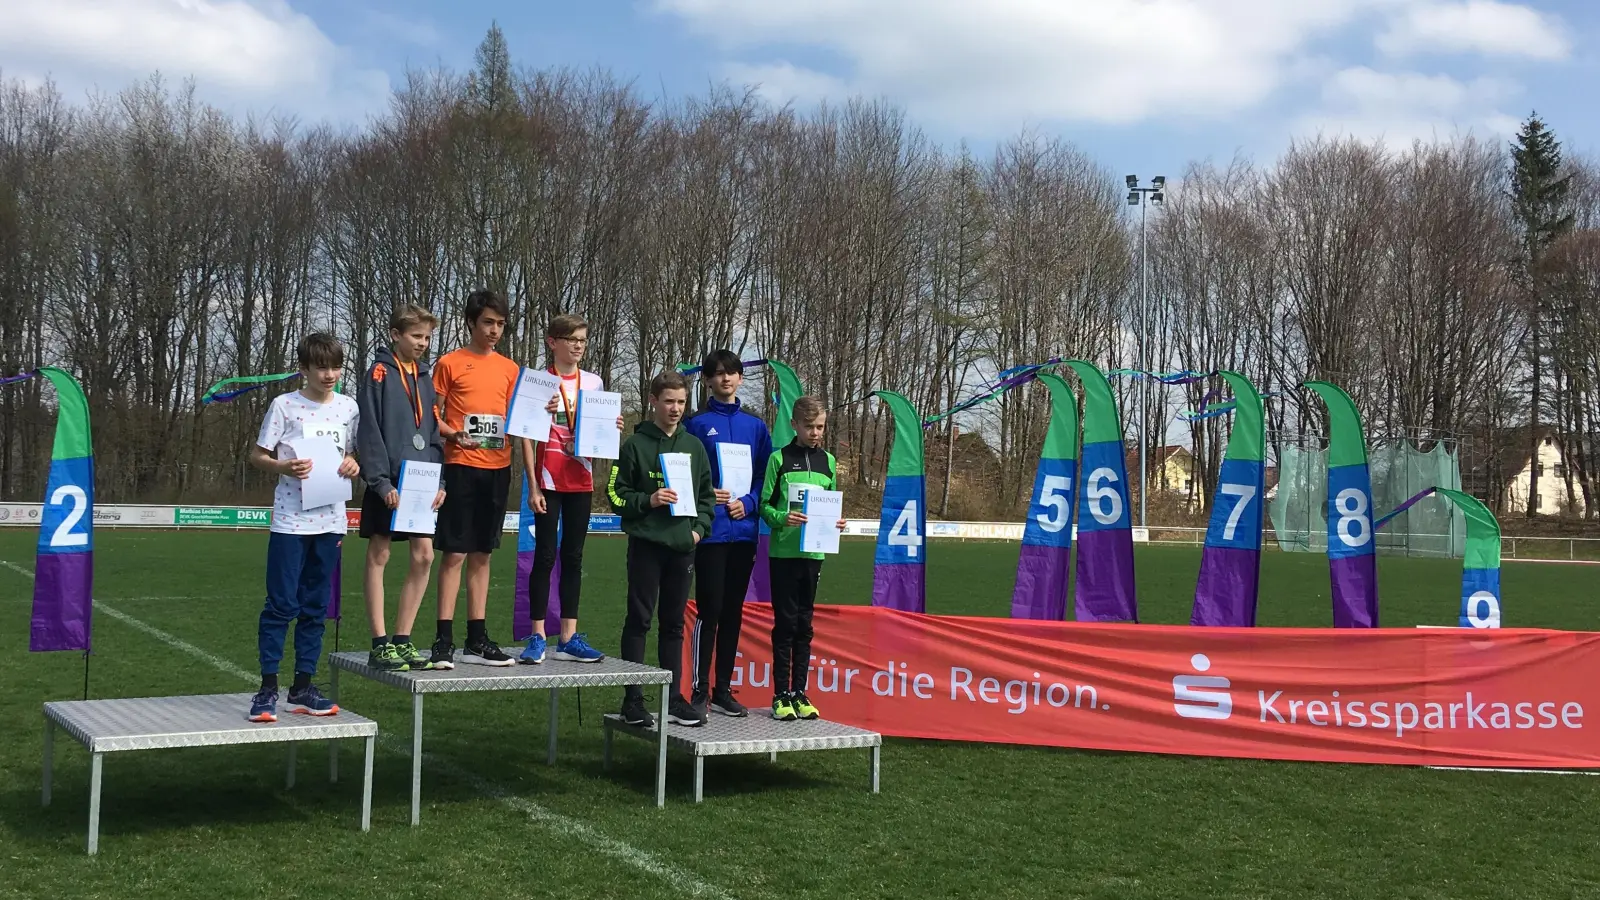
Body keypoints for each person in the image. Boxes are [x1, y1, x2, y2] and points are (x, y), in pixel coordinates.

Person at [247, 332, 361, 722]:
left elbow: (351, 453)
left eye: (336, 367)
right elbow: (257, 455)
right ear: (304, 369)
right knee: (281, 604)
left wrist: (354, 463)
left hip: (331, 521)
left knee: (315, 607)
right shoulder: (285, 406)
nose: (329, 375)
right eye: (321, 367)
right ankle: (266, 689)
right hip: (291, 521)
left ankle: (302, 687)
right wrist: (282, 466)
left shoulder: (348, 407)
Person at [606, 371, 714, 727]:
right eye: (669, 401)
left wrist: (697, 531)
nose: (675, 409)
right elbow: (615, 494)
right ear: (653, 400)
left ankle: (674, 699)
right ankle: (633, 700)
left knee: (673, 625)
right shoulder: (634, 446)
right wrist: (649, 500)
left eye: (681, 402)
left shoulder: (694, 446)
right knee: (639, 620)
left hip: (682, 548)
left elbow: (706, 497)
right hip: (647, 546)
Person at [430, 289, 521, 668]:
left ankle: (476, 639)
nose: (494, 330)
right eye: (487, 322)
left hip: (498, 469)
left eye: (500, 324)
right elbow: (430, 416)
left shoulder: (511, 369)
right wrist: (453, 434)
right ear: (471, 323)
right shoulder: (449, 364)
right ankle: (443, 640)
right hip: (460, 466)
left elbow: (519, 418)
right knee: (455, 554)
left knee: (483, 554)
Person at [356, 305, 447, 672]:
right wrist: (379, 481)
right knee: (380, 554)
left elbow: (434, 432)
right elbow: (369, 430)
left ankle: (402, 639)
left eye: (427, 337)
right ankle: (379, 643)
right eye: (416, 336)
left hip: (421, 481)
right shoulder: (379, 373)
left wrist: (440, 481)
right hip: (388, 481)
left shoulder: (425, 376)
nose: (422, 343)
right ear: (396, 335)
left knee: (424, 556)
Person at [682, 350, 771, 718]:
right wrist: (707, 493)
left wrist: (749, 503)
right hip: (711, 531)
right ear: (707, 381)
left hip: (744, 533)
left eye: (731, 372)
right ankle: (699, 690)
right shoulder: (695, 424)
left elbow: (766, 476)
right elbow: (683, 472)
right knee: (710, 610)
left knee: (733, 612)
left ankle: (722, 690)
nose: (725, 378)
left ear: (740, 378)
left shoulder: (756, 427)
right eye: (718, 374)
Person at [516, 314, 607, 664]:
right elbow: (525, 436)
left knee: (574, 557)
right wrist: (532, 486)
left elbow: (597, 433)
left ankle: (568, 637)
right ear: (553, 342)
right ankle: (538, 636)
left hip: (581, 478)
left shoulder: (594, 383)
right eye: (572, 339)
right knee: (545, 556)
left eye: (582, 340)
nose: (578, 346)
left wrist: (609, 426)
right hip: (548, 480)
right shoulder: (538, 382)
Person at [759, 396, 846, 722]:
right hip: (784, 554)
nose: (815, 433)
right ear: (794, 425)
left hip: (814, 554)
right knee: (785, 625)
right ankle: (780, 694)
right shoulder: (779, 459)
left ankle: (800, 693)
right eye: (809, 426)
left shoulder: (829, 462)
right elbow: (765, 506)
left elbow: (831, 503)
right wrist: (783, 518)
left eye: (820, 426)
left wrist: (837, 522)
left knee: (804, 626)